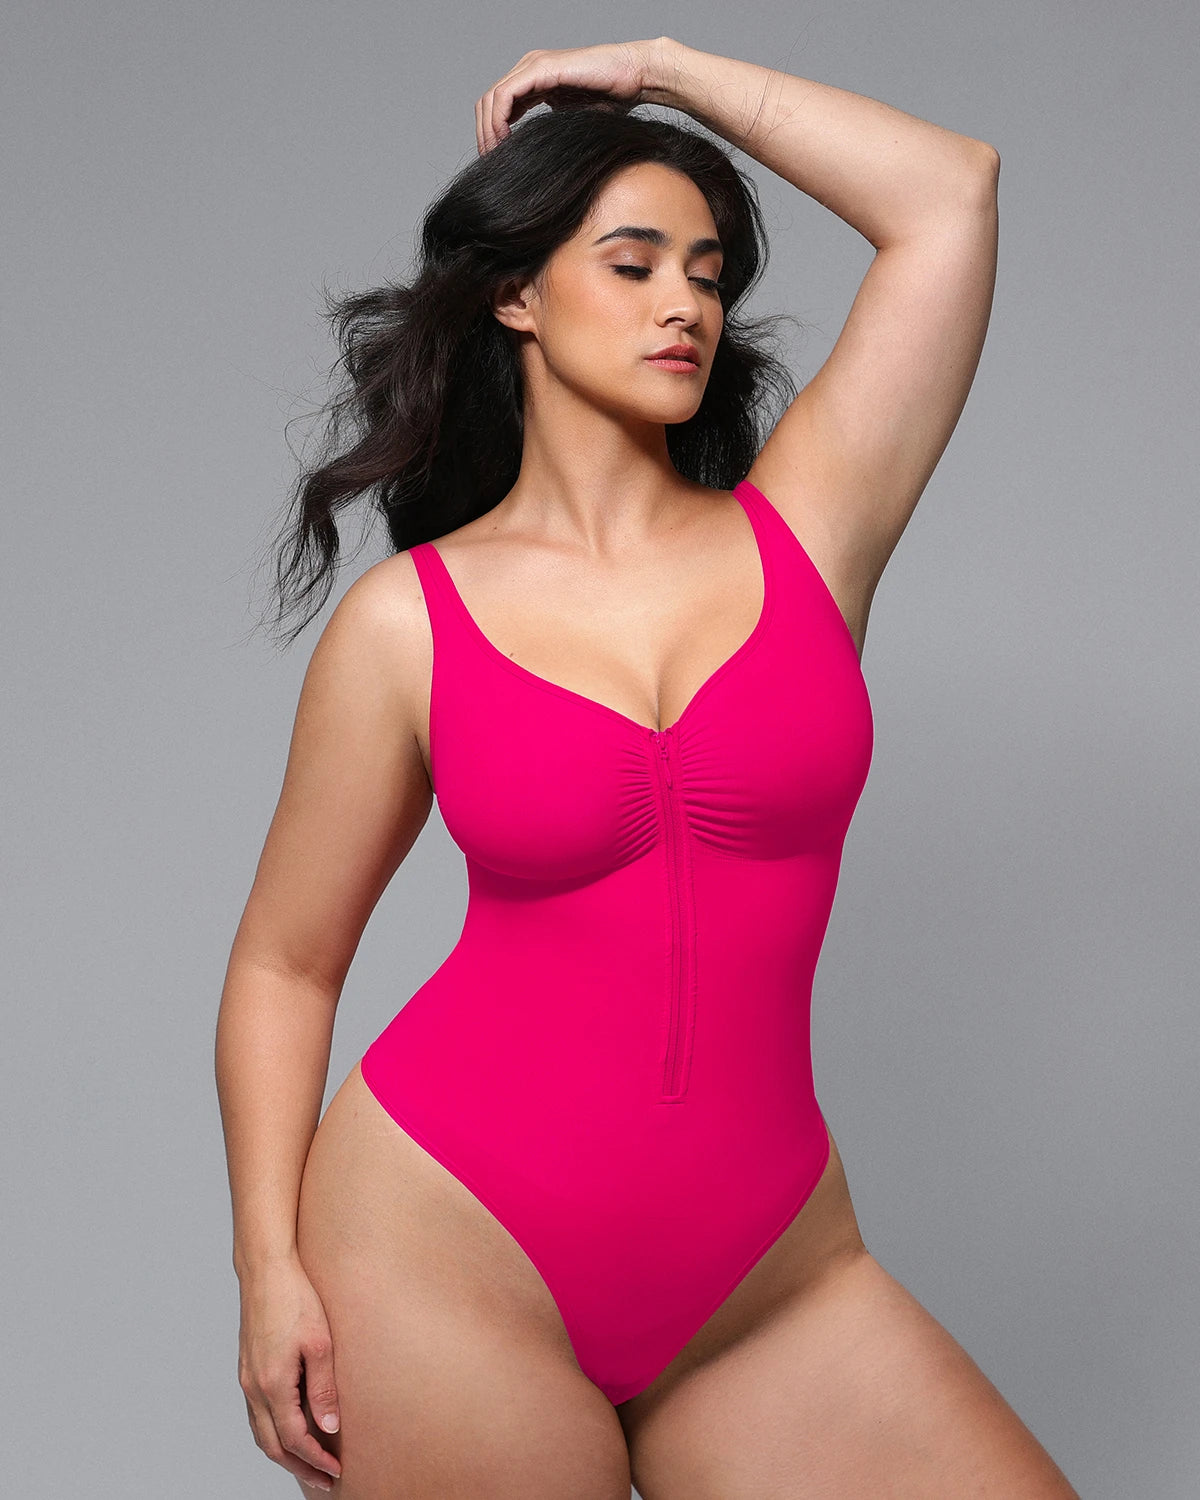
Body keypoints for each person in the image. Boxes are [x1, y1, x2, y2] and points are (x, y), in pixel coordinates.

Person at [215, 37, 1079, 1498]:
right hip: (446, 1254)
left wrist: (661, 69)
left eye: (708, 272)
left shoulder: (810, 535)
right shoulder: (407, 625)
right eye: (632, 263)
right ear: (516, 294)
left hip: (768, 1281)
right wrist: (267, 1271)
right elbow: (283, 966)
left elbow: (951, 193)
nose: (686, 302)